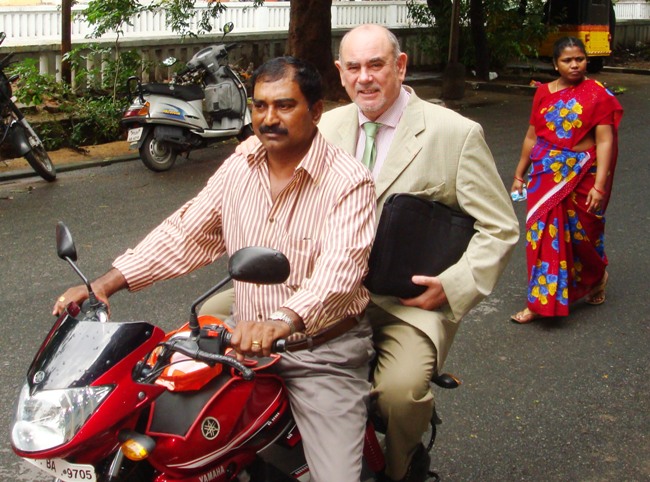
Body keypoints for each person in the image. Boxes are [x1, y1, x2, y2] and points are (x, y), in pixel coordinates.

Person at [52, 56, 377, 482]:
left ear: (316, 111)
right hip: (239, 344)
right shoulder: (242, 163)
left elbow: (338, 274)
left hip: (318, 353)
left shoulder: (349, 181)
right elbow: (187, 231)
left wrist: (280, 321)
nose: (268, 118)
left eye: (285, 106)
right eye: (260, 106)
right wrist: (105, 285)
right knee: (157, 429)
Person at [225, 24, 519, 482]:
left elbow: (499, 227)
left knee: (400, 392)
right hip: (316, 286)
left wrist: (454, 284)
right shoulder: (324, 123)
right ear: (340, 74)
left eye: (376, 65)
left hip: (403, 302)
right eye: (354, 68)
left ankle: (403, 466)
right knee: (208, 322)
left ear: (400, 67)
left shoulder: (454, 134)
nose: (365, 78)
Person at [510, 37, 623, 324]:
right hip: (544, 176)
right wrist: (519, 174)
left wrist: (600, 185)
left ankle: (596, 277)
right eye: (567, 60)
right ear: (555, 64)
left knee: (584, 235)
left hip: (582, 175)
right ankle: (540, 302)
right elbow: (532, 136)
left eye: (580, 59)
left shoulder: (598, 95)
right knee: (542, 237)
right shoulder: (544, 93)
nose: (575, 65)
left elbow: (606, 141)